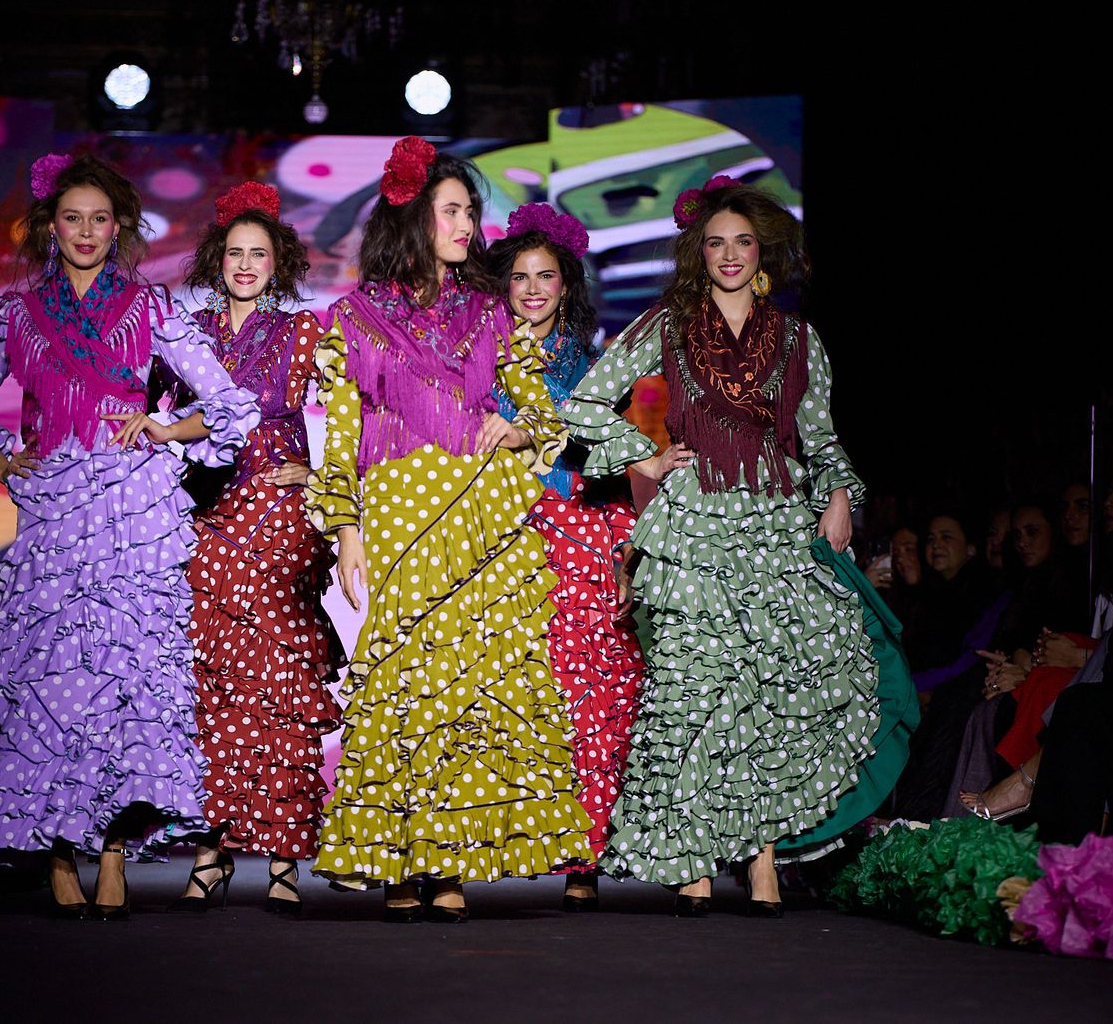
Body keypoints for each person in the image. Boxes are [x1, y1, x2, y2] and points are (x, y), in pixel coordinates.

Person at [0, 153, 259, 920]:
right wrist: (5, 460)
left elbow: (226, 404)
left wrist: (160, 426)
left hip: (135, 513)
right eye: (71, 217)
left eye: (99, 218)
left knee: (122, 683)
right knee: (49, 684)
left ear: (119, 227)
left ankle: (112, 847)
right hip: (55, 512)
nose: (86, 231)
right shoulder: (17, 314)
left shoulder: (151, 308)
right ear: (49, 227)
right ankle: (60, 848)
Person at [562, 177, 877, 917]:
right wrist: (643, 453)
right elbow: (581, 403)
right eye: (716, 243)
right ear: (697, 253)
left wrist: (837, 496)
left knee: (767, 695)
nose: (730, 255)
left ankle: (762, 856)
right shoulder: (667, 324)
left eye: (742, 242)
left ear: (761, 250)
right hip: (694, 528)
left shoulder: (801, 338)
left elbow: (821, 436)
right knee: (692, 691)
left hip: (774, 526)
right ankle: (692, 854)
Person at [306, 138, 593, 922]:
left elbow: (542, 409)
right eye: (455, 210)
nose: (470, 223)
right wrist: (346, 531)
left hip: (478, 514)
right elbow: (339, 430)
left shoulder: (489, 310)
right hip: (399, 510)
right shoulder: (351, 318)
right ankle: (401, 857)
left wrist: (518, 430)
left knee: (468, 690)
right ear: (412, 219)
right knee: (405, 686)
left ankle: (447, 861)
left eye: (471, 210)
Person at [169, 182, 344, 917]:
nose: (245, 265)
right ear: (217, 258)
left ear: (280, 263)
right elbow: (151, 407)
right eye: (235, 253)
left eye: (258, 255)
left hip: (277, 512)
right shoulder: (187, 327)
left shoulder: (308, 331)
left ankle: (281, 856)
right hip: (207, 512)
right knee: (212, 686)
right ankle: (210, 852)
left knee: (281, 684)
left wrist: (322, 470)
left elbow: (357, 414)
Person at [486, 204, 644, 912]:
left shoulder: (591, 361)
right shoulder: (480, 354)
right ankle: (514, 837)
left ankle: (584, 851)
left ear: (566, 284)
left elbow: (613, 461)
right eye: (518, 276)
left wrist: (622, 549)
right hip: (504, 529)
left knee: (589, 694)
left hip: (580, 528)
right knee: (517, 691)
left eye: (545, 275)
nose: (531, 288)